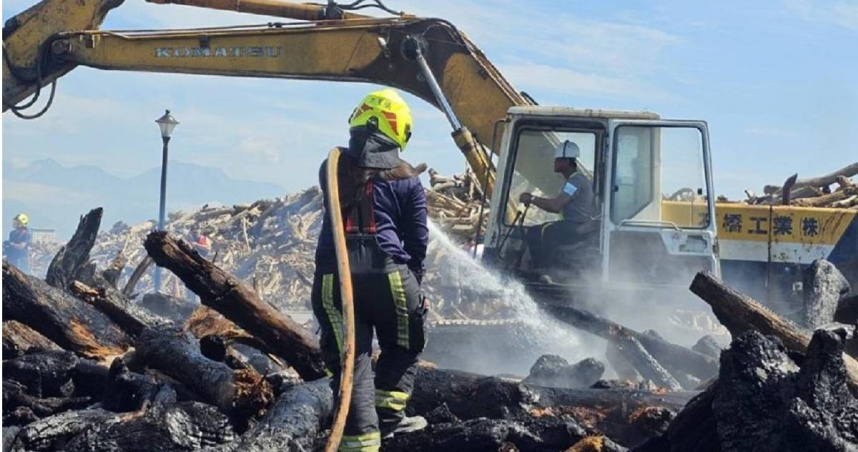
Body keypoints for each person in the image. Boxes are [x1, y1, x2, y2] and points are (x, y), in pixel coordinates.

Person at [312, 89, 429, 450]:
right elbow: (417, 241)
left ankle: (361, 438)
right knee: (405, 342)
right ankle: (389, 421)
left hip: (335, 278)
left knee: (352, 359)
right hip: (391, 276)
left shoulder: (331, 166)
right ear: (400, 130)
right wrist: (416, 285)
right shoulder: (408, 178)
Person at [518, 140, 595, 270]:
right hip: (576, 225)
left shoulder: (575, 181)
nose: (554, 162)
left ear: (566, 162)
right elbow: (555, 205)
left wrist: (531, 198)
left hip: (575, 225)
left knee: (536, 232)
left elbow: (555, 206)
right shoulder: (575, 180)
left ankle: (542, 270)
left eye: (557, 159)